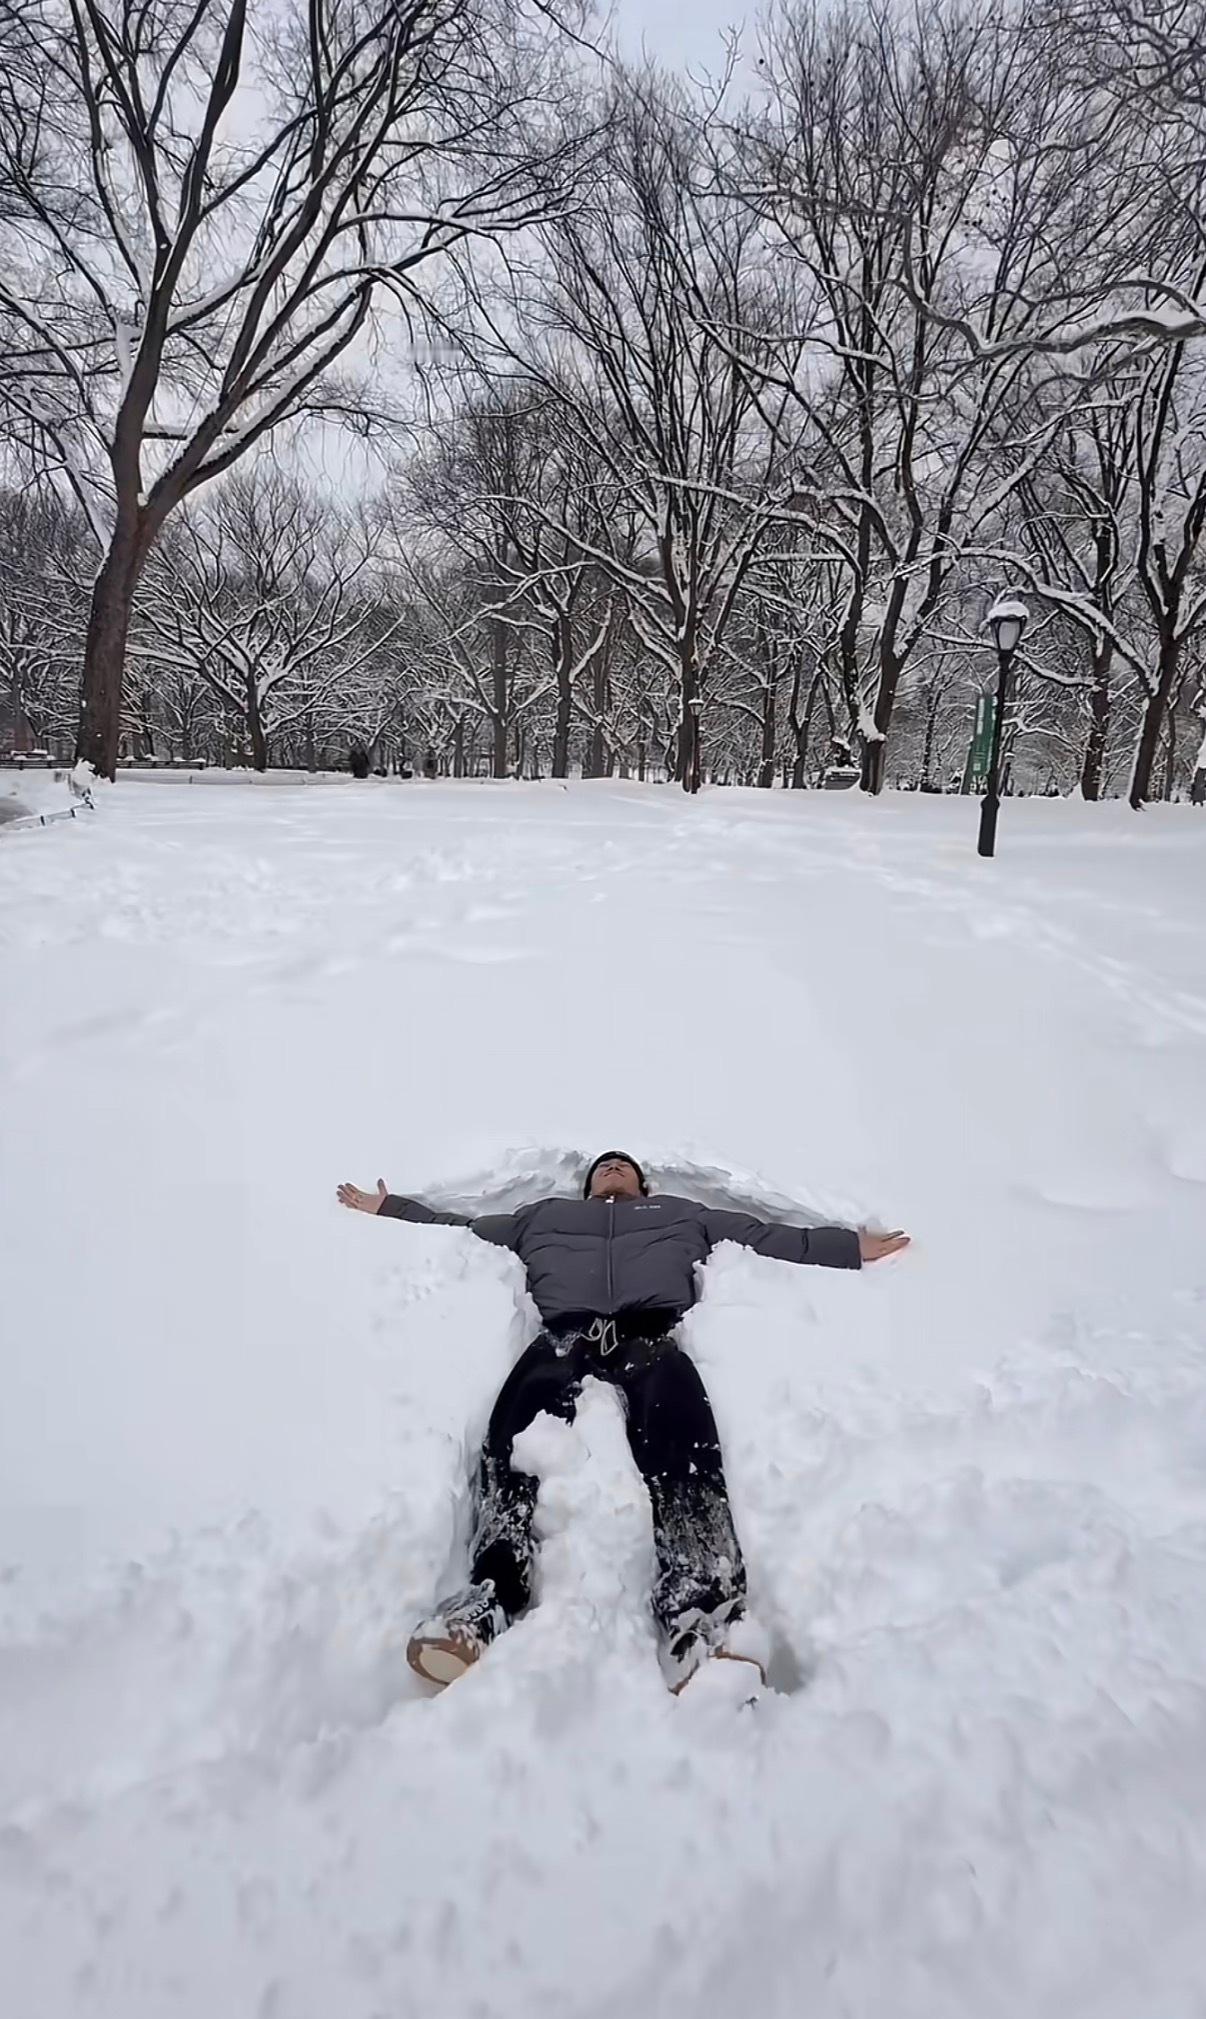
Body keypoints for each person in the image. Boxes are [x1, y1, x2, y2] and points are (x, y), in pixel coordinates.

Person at [336, 1152, 909, 1693]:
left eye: (624, 1165)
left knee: (684, 1443)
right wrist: (388, 1210)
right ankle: (488, 1599)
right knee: (511, 1436)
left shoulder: (683, 1213)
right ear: (587, 1185)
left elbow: (768, 1235)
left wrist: (851, 1247)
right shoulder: (541, 1216)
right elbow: (459, 1229)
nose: (613, 1167)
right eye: (603, 1166)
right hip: (563, 1337)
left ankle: (702, 1613)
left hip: (650, 1337)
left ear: (643, 1185)